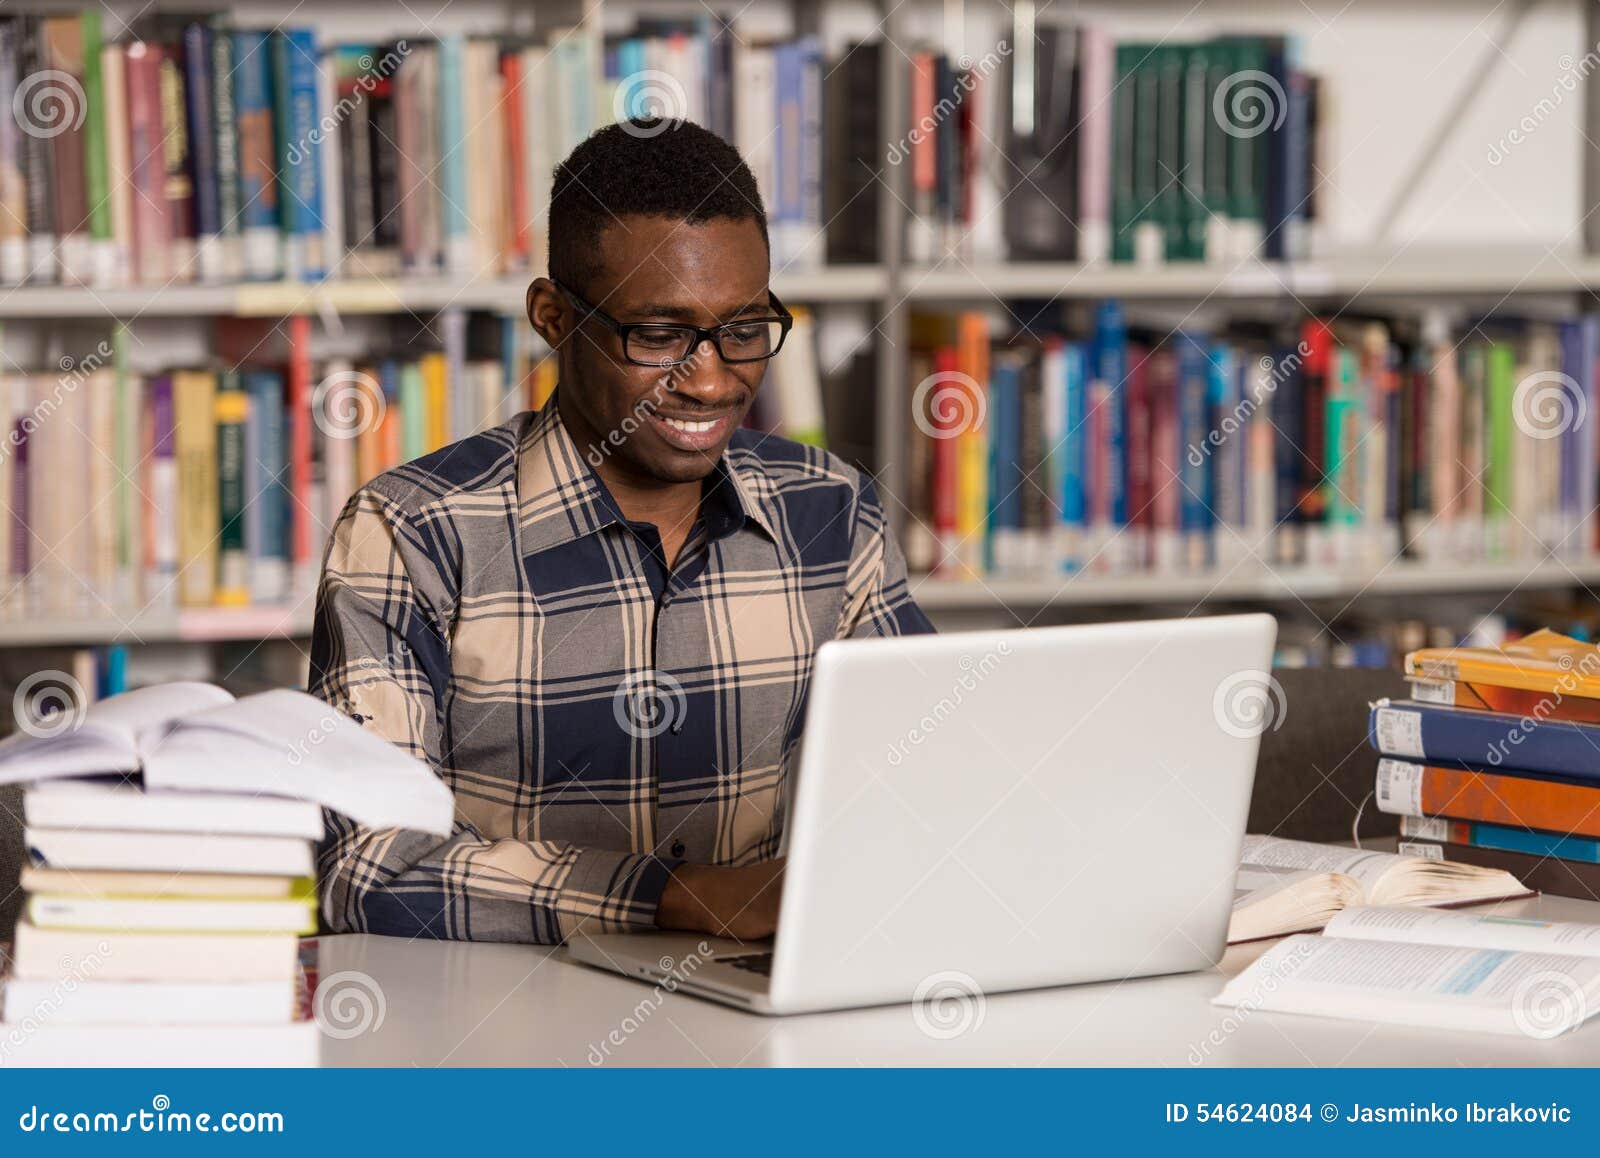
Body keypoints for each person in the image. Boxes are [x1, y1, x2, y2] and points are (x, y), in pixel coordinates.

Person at [309, 118, 933, 946]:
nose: (710, 381)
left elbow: (931, 784)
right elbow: (370, 868)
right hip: (503, 1035)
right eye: (661, 336)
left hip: (762, 1021)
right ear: (554, 317)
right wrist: (684, 894)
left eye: (743, 331)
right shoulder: (411, 533)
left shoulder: (831, 512)